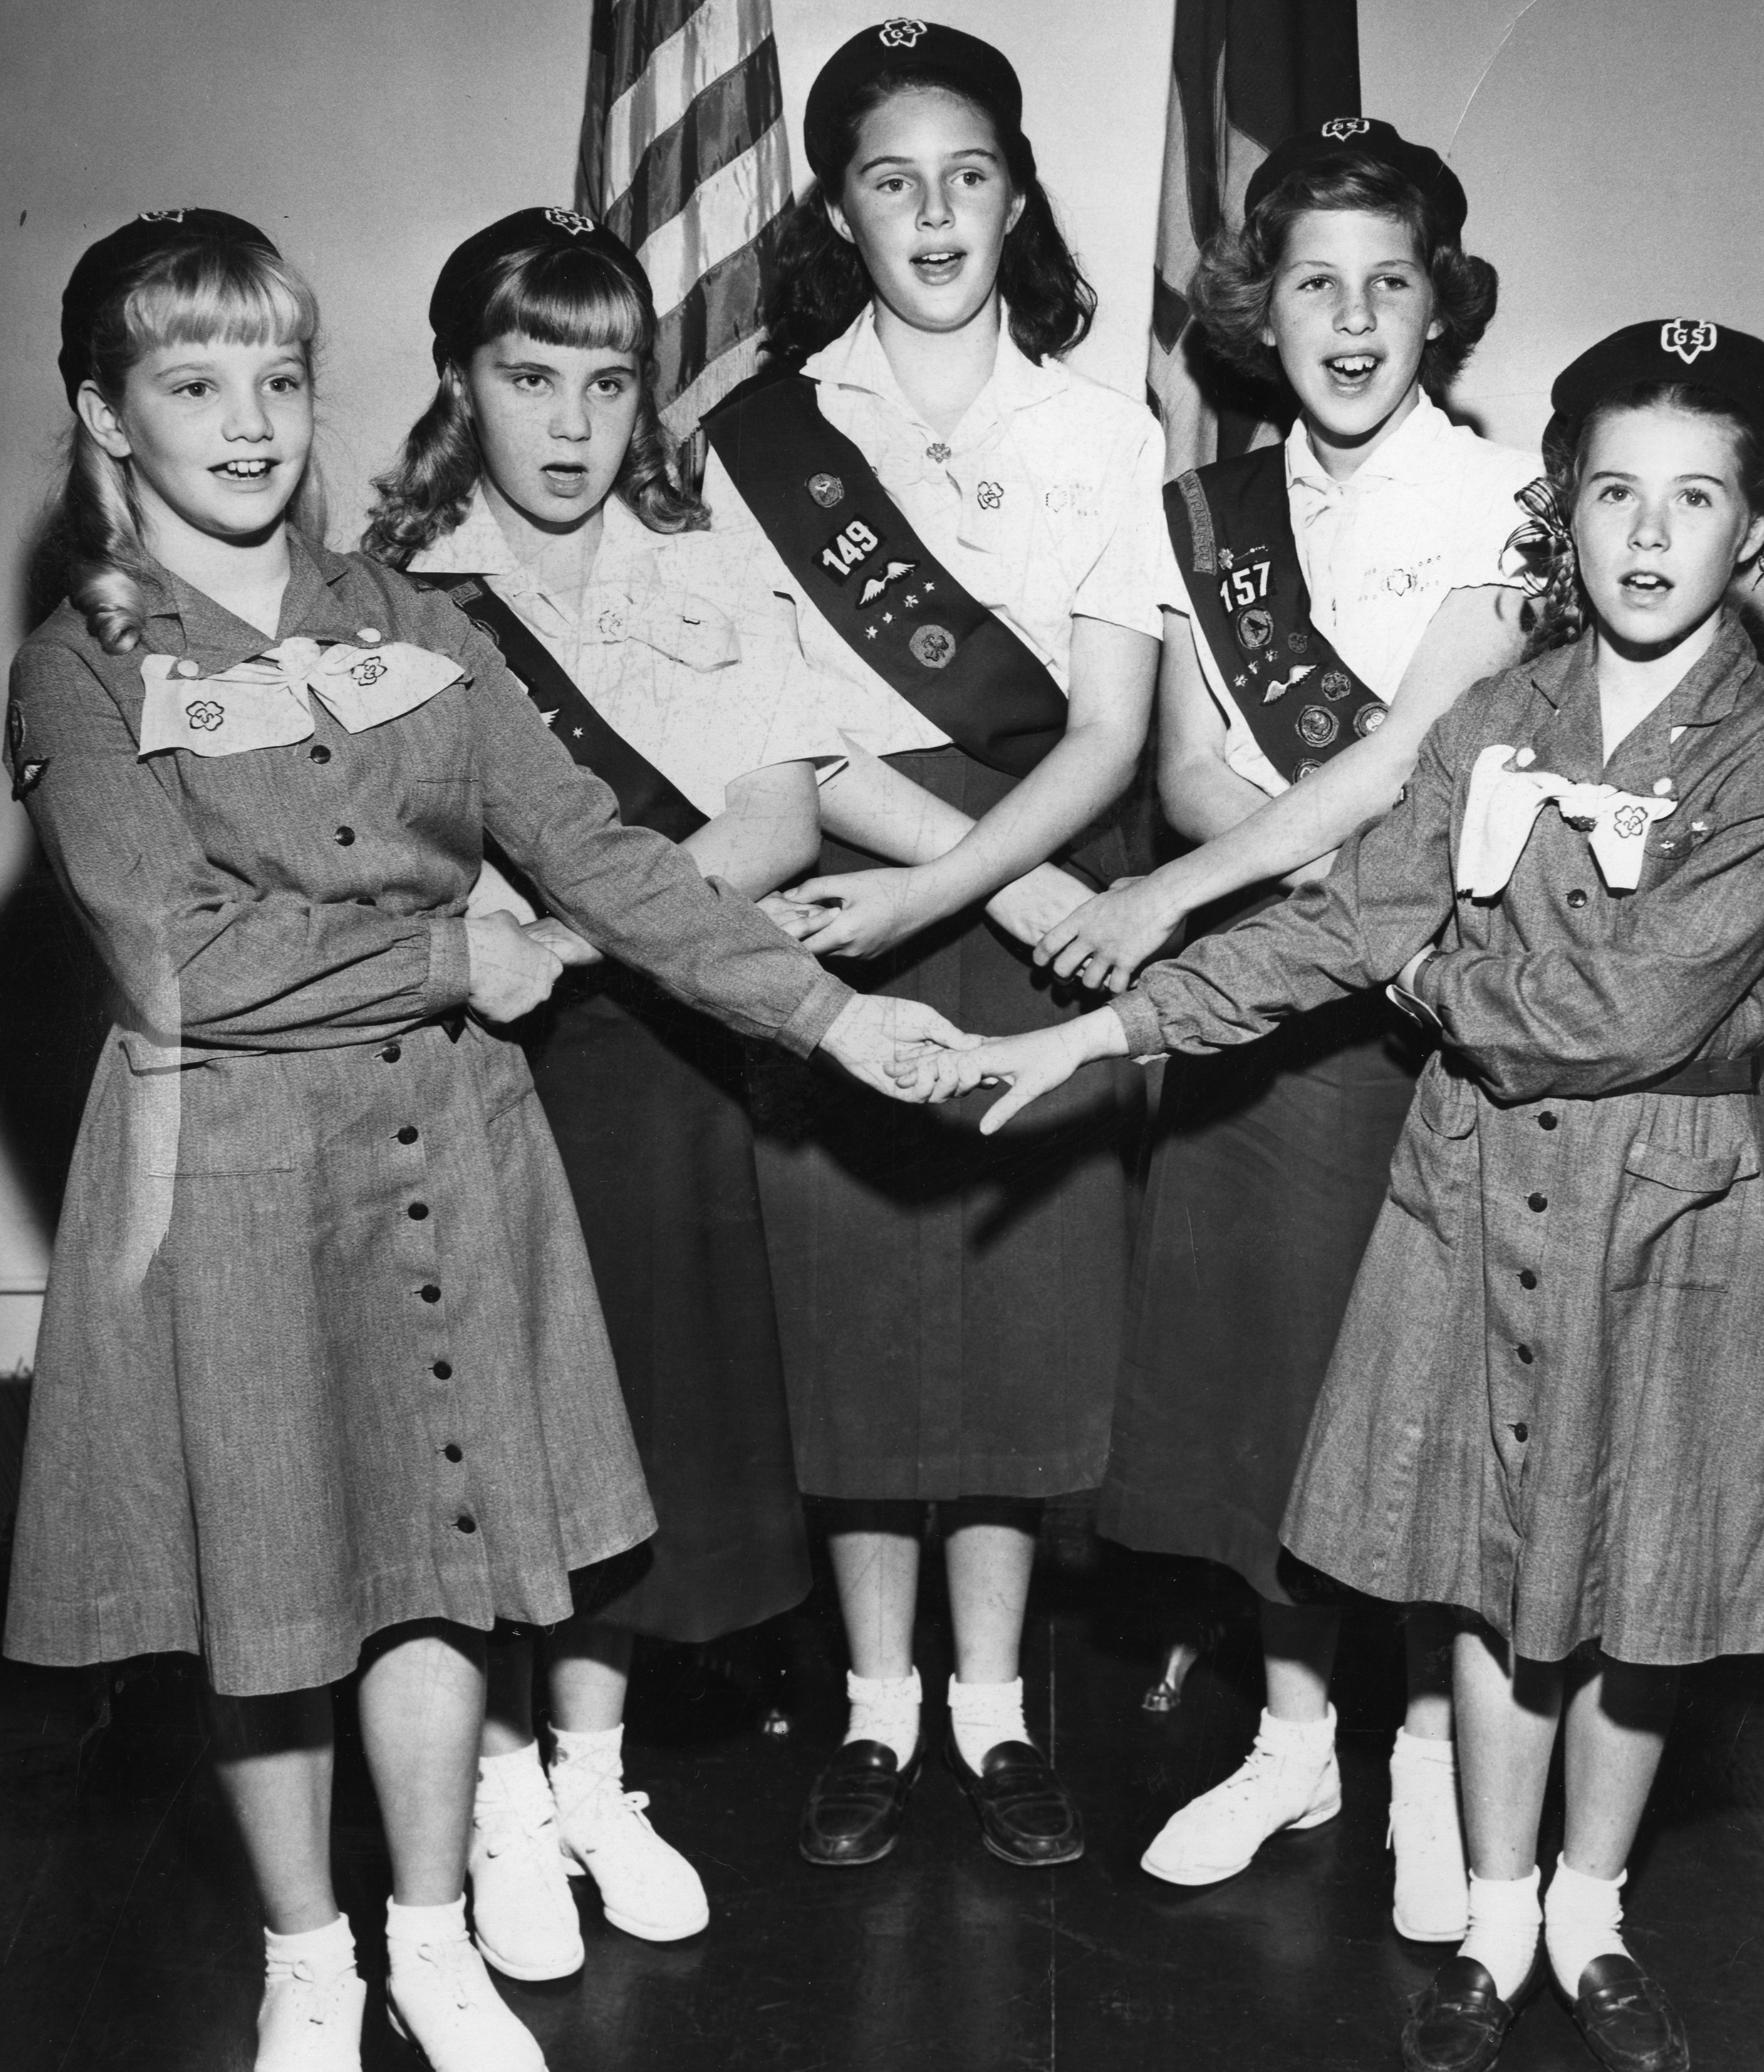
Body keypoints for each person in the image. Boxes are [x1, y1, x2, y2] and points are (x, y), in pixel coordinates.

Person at [1, 209, 959, 2072]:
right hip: (234, 1176)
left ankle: (433, 1932)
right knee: (277, 1581)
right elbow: (170, 954)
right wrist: (455, 944)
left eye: (279, 376)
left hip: (447, 1145)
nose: (251, 421)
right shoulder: (79, 670)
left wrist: (840, 1017)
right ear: (106, 417)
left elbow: (599, 856)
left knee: (441, 1554)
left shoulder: (410, 620)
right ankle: (307, 1957)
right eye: (192, 383)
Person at [900, 320, 1764, 2072]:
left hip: (1668, 1221)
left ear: (1760, 529)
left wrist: (1426, 971)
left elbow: (1610, 1017)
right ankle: (1498, 1918)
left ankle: (1592, 1907)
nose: (1648, 537)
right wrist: (1107, 1032)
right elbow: (1344, 920)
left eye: (1697, 499)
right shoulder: (1500, 707)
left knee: (1636, 1590)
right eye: (1615, 494)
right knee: (1486, 1582)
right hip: (1469, 1191)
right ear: (1562, 512)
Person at [365, 206, 885, 1983]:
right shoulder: (395, 595)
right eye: (530, 377)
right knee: (487, 1431)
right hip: (465, 1066)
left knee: (632, 1424)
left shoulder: (698, 555)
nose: (574, 424)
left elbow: (779, 817)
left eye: (608, 378)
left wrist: (581, 935)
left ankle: (593, 1776)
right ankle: (501, 1793)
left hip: (648, 1041)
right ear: (459, 383)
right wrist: (554, 923)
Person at [1043, 117, 1535, 1933]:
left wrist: (1173, 899)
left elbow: (1416, 757)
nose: (1350, 319)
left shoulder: (1500, 499)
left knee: (1413, 1389)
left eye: (1387, 284)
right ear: (1258, 304)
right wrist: (1209, 874)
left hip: (1416, 999)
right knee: (1262, 1382)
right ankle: (1296, 1733)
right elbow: (1179, 758)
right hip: (1265, 1000)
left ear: (1439, 307)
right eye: (1314, 282)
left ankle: (1423, 1756)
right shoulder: (1208, 514)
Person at [692, 17, 1167, 1869]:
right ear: (840, 205)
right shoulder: (764, 433)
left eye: (971, 172)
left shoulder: (1097, 424)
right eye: (894, 177)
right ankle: (878, 1709)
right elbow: (794, 731)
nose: (938, 209)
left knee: (1023, 1314)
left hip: (1051, 890)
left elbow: (1118, 728)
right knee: (863, 1311)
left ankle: (994, 1703)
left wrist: (1016, 886)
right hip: (864, 900)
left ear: (1020, 190)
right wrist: (971, 882)